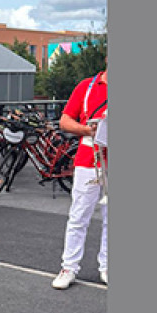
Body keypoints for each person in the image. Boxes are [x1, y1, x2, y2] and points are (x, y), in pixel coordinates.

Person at [52, 69, 108, 289]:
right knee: (78, 216)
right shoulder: (87, 86)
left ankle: (107, 266)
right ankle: (69, 267)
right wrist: (87, 129)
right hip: (89, 159)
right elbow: (65, 121)